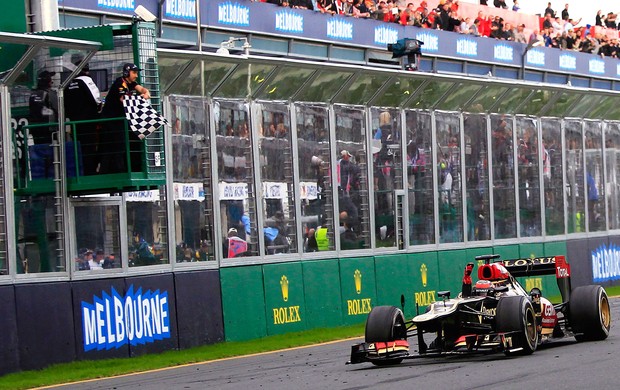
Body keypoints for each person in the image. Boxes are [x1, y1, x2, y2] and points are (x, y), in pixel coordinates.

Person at [100, 63, 151, 174]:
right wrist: (140, 97)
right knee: (117, 144)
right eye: (134, 73)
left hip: (120, 120)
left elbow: (143, 90)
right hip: (111, 120)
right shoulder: (120, 83)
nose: (136, 75)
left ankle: (125, 168)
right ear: (126, 73)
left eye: (136, 73)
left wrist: (145, 93)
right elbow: (123, 99)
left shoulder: (131, 83)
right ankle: (118, 170)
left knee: (123, 143)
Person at [64, 61, 102, 175]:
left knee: (79, 148)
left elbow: (65, 105)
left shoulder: (66, 83)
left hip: (75, 123)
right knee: (90, 147)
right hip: (89, 121)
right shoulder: (86, 80)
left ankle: (82, 172)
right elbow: (97, 100)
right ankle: (90, 172)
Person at [29, 70, 58, 144]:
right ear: (48, 82)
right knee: (52, 151)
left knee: (39, 151)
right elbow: (58, 109)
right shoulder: (50, 94)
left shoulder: (33, 94)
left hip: (35, 128)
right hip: (49, 129)